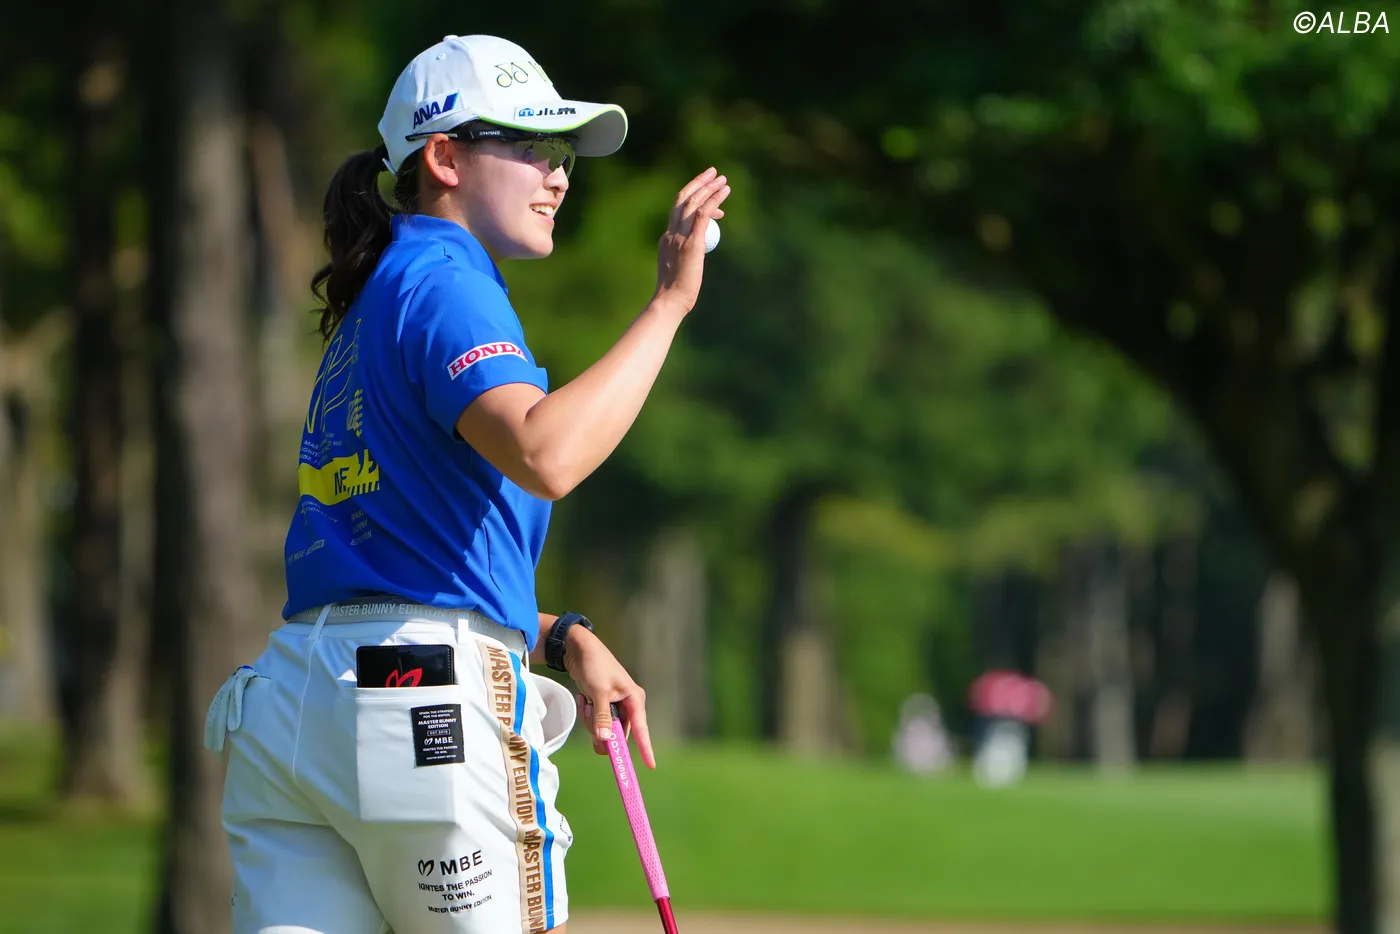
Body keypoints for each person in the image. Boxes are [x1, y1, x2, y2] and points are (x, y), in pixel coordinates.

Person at [201, 34, 731, 934]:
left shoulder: (383, 290)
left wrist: (557, 634)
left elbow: (396, 564)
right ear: (444, 158)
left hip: (294, 704)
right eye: (531, 146)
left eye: (562, 155)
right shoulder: (446, 279)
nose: (557, 176)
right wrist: (669, 305)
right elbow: (546, 454)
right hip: (418, 704)